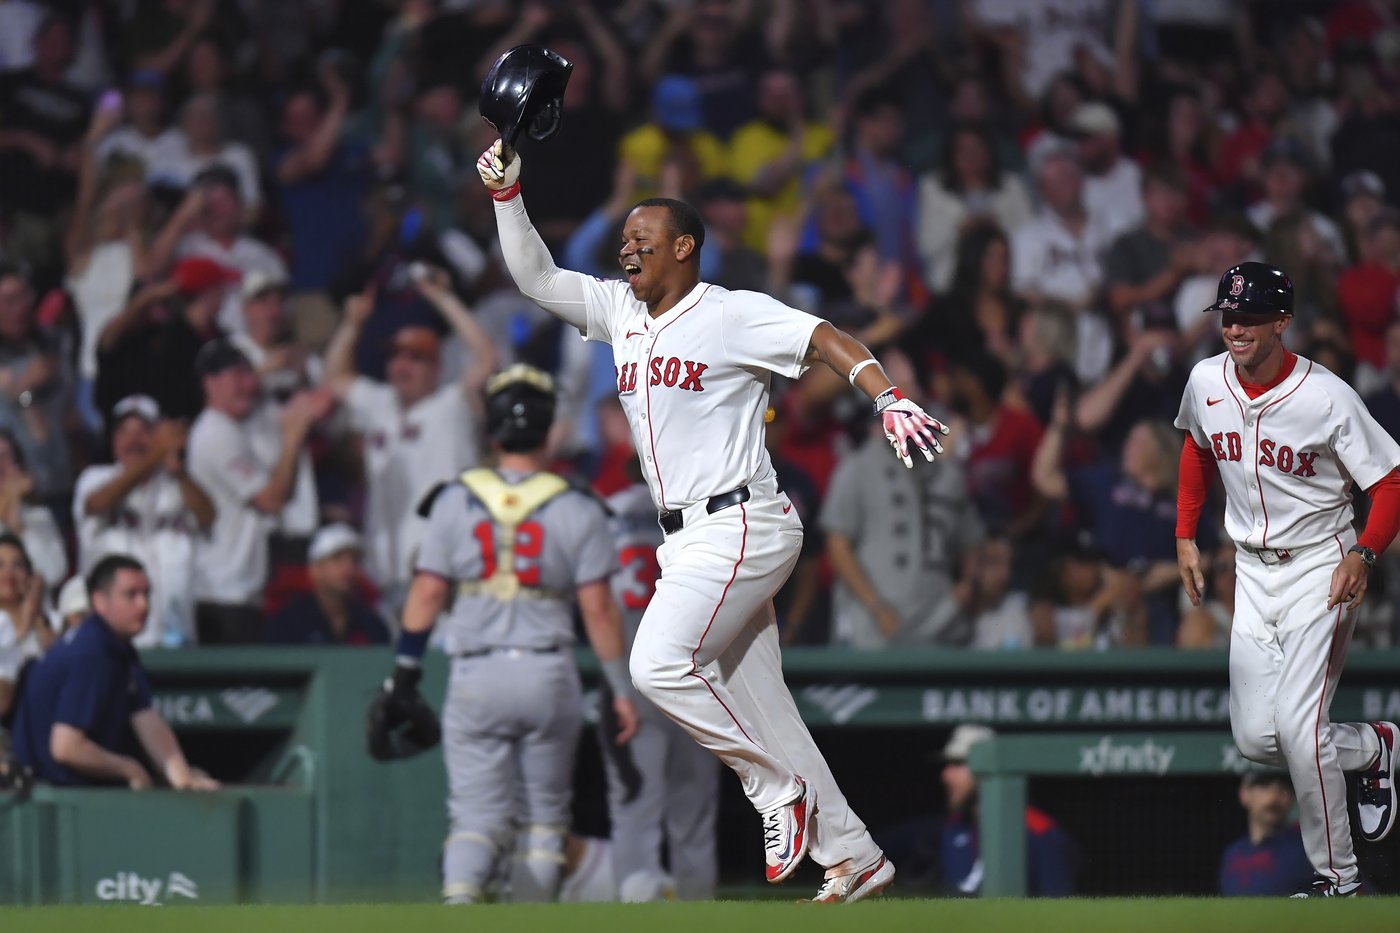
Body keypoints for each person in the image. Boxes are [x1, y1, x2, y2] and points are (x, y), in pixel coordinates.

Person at [477, 136, 948, 902]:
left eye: (644, 239)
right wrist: (507, 197)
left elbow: (826, 338)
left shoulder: (730, 313)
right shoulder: (619, 311)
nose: (627, 249)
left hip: (740, 521)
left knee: (655, 664)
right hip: (689, 536)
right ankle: (856, 853)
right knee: (766, 704)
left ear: (684, 248)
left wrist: (886, 397)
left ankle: (772, 793)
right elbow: (536, 276)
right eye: (626, 238)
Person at [1175, 261, 1400, 897]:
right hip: (1250, 572)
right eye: (1228, 316)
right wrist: (1184, 535)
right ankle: (1375, 747)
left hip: (1320, 566)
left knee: (1301, 734)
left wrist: (1365, 553)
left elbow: (1390, 480)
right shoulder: (1205, 379)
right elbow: (1197, 447)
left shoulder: (1325, 395)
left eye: (1249, 316)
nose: (1236, 327)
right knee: (1255, 738)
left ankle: (1340, 880)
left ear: (1282, 321)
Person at [380, 365, 639, 904]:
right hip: (547, 669)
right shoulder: (578, 503)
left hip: (477, 670)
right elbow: (598, 609)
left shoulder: (454, 498)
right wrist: (618, 687)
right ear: (547, 431)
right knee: (544, 822)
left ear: (492, 432)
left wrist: (404, 673)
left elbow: (427, 593)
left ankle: (459, 906)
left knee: (474, 816)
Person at [323, 267, 498, 609]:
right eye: (396, 355)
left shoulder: (450, 406)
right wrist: (353, 324)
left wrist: (443, 298)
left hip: (445, 576)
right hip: (383, 574)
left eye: (415, 358)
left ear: (436, 367)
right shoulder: (380, 404)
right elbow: (334, 378)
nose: (402, 365)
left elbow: (486, 358)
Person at [603, 472, 719, 901]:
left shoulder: (609, 510)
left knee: (637, 809)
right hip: (695, 671)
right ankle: (697, 912)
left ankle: (638, 913)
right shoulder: (704, 509)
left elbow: (597, 601)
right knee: (693, 814)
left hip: (636, 671)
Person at [9, 554, 220, 790]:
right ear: (99, 601)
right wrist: (128, 768)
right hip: (46, 799)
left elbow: (146, 717)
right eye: (131, 595)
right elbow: (66, 748)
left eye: (146, 594)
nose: (144, 605)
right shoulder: (91, 651)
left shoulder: (117, 646)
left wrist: (183, 777)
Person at [187, 340, 328, 644]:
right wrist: (293, 437)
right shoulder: (214, 432)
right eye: (235, 377)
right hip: (220, 592)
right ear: (209, 384)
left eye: (248, 375)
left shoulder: (240, 423)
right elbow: (271, 499)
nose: (247, 384)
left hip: (243, 588)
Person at [72, 395, 214, 649]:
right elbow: (96, 504)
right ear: (112, 439)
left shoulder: (176, 485)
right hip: (110, 643)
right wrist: (155, 455)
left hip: (175, 638)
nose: (133, 440)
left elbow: (208, 516)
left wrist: (178, 470)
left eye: (145, 431)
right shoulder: (96, 477)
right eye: (124, 431)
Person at [265, 523, 388, 646]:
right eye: (337, 558)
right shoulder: (289, 623)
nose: (348, 568)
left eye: (354, 560)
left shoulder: (371, 624)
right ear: (314, 569)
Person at [1219, 773, 1315, 896]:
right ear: (1244, 794)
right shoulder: (1232, 853)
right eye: (1264, 785)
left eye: (1284, 788)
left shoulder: (1309, 849)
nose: (1273, 797)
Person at [0, 533, 52, 722]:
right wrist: (22, 625)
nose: (8, 573)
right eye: (0, 565)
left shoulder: (48, 619)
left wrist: (34, 612)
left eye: (17, 565)